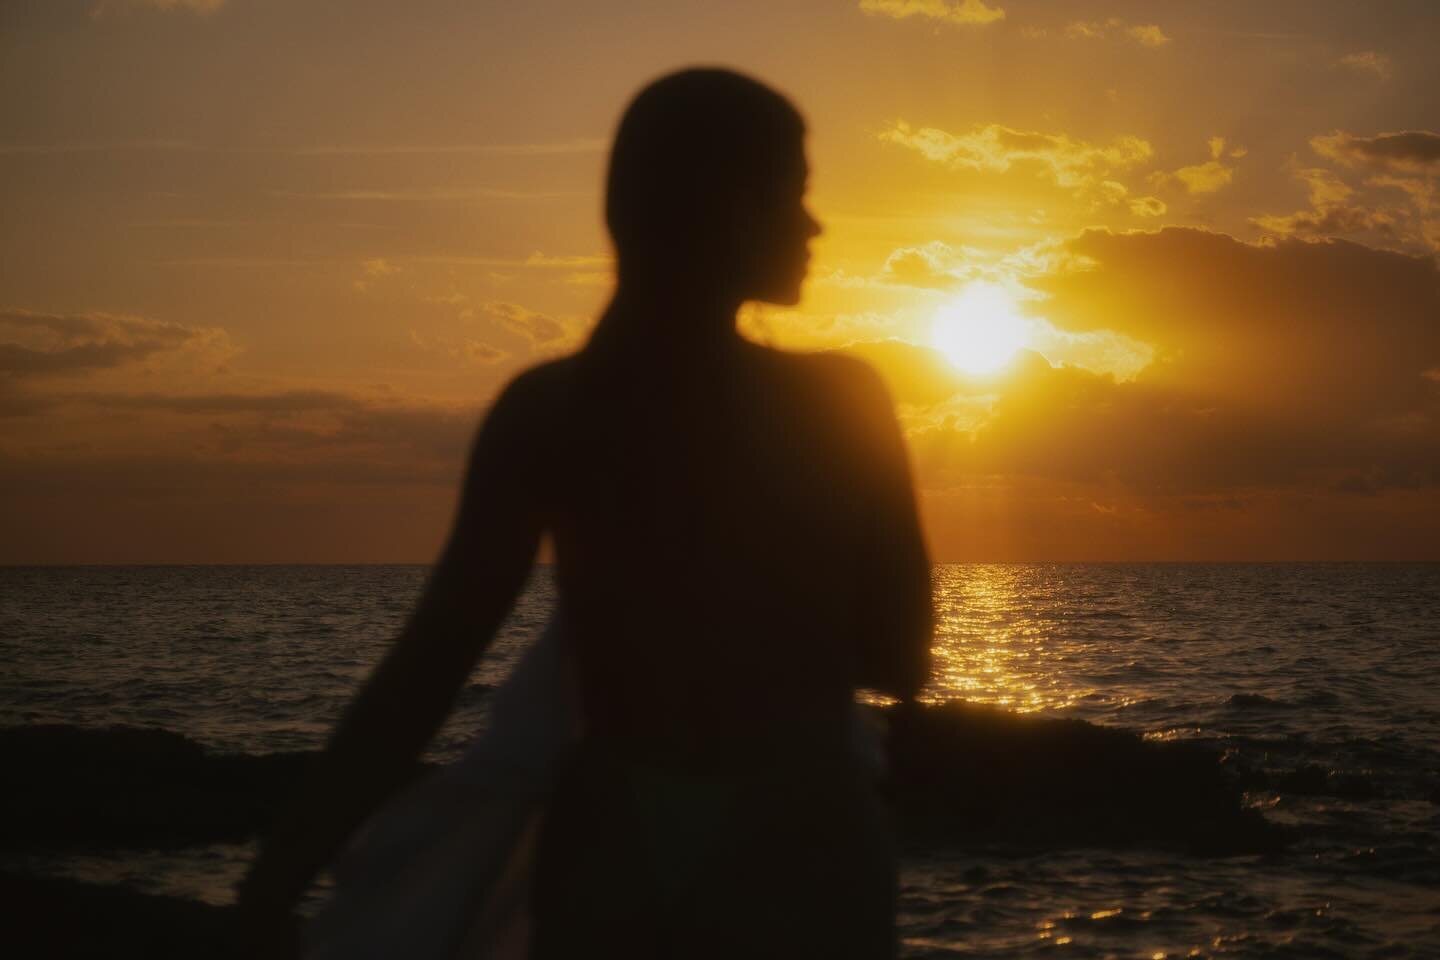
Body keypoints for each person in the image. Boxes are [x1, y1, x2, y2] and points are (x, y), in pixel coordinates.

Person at [236, 66, 932, 959]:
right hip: (798, 828)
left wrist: (275, 883)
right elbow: (902, 652)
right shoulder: (841, 400)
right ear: (720, 205)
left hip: (617, 828)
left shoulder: (548, 409)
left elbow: (428, 669)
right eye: (792, 192)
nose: (813, 225)